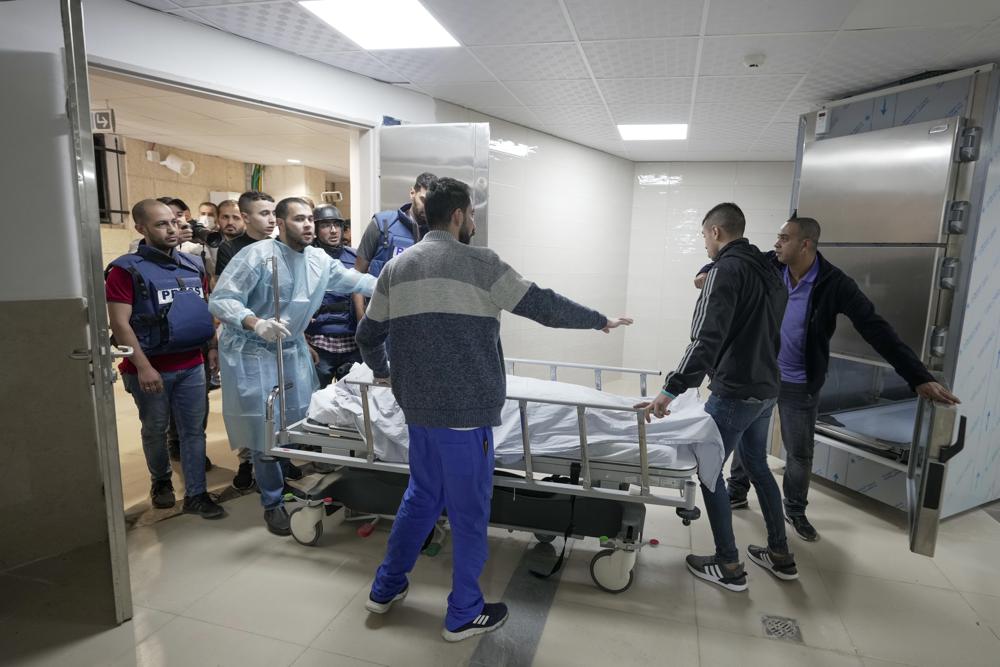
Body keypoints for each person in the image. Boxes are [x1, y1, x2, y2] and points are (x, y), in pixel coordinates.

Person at [356, 177, 632, 641]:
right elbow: (542, 305)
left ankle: (385, 589)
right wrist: (598, 320)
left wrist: (386, 373)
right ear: (458, 216)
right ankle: (463, 612)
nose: (474, 222)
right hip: (465, 418)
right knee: (467, 514)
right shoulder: (480, 263)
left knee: (421, 498)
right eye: (472, 214)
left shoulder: (397, 268)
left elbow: (368, 335)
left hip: (418, 412)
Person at [697, 215, 961, 542]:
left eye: (784, 238)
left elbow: (876, 329)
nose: (776, 243)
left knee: (799, 452)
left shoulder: (834, 283)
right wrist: (706, 271)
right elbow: (734, 259)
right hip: (760, 376)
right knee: (747, 441)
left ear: (805, 244)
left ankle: (795, 510)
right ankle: (736, 491)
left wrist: (918, 377)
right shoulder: (770, 264)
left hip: (799, 382)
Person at [638, 202, 795, 592]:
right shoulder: (769, 272)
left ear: (715, 232)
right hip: (766, 389)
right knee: (757, 465)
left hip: (736, 391)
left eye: (703, 236)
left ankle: (729, 565)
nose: (704, 245)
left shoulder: (724, 271)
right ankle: (780, 555)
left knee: (710, 472)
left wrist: (670, 389)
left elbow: (705, 338)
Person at [209, 197, 376, 535]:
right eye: (300, 219)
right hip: (253, 352)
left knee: (294, 423)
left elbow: (356, 281)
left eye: (311, 218)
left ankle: (283, 481)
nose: (309, 225)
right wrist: (255, 323)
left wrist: (399, 283)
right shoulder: (256, 256)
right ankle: (272, 503)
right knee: (265, 431)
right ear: (281, 224)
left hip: (291, 350)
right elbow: (221, 299)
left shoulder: (318, 260)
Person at [105, 199, 225, 519]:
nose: (172, 229)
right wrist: (143, 367)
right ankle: (161, 482)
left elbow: (204, 308)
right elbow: (119, 324)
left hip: (191, 365)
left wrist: (212, 347)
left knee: (193, 432)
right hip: (148, 368)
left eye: (173, 222)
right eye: (161, 224)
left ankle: (197, 494)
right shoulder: (124, 270)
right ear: (140, 228)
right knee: (155, 429)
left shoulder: (193, 264)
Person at [213, 192, 277, 490]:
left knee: (274, 404)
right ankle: (246, 461)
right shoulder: (231, 249)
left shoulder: (279, 248)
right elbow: (227, 298)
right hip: (244, 340)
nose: (271, 219)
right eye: (264, 213)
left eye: (273, 213)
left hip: (275, 338)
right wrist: (254, 321)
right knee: (248, 403)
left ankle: (278, 461)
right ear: (246, 217)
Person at [306, 205, 364, 387]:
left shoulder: (355, 257)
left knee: (354, 398)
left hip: (352, 343)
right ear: (316, 229)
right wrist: (302, 342)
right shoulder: (305, 258)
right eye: (325, 225)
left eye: (337, 225)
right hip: (318, 342)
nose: (333, 230)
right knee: (315, 398)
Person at [355, 172, 436, 277]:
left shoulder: (438, 233)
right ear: (412, 193)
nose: (427, 207)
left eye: (432, 202)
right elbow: (358, 274)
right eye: (423, 200)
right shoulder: (382, 223)